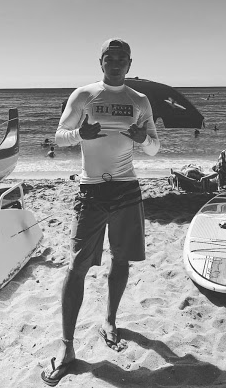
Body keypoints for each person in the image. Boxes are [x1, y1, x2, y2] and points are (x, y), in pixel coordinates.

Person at [41, 38, 160, 386]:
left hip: (127, 189)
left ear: (129, 63)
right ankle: (67, 347)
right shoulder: (84, 95)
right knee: (77, 266)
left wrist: (142, 138)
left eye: (123, 58)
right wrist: (81, 134)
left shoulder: (139, 100)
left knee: (120, 260)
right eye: (111, 57)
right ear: (101, 61)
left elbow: (154, 148)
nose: (116, 62)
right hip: (91, 191)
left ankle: (110, 320)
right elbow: (59, 136)